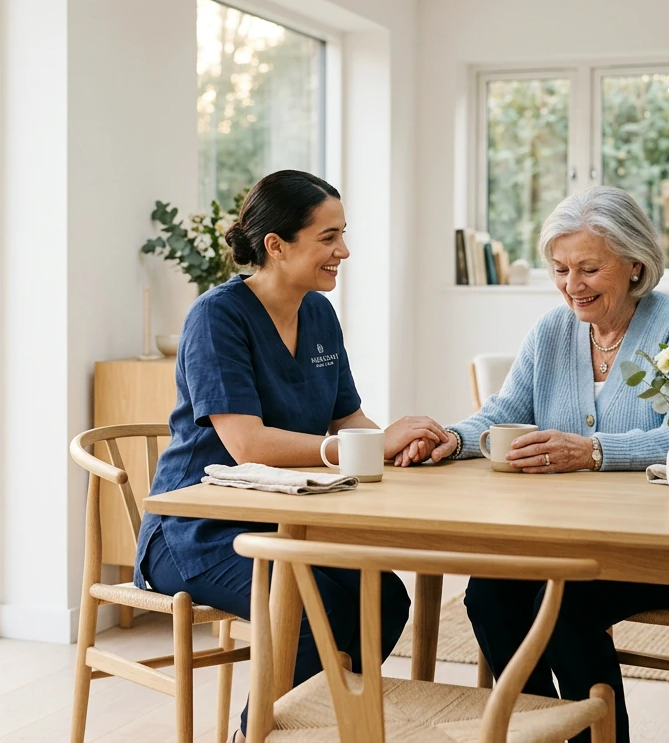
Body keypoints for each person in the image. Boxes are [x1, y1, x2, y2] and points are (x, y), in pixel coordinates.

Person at [392, 185, 669, 743]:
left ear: (635, 263)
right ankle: (544, 731)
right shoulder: (552, 331)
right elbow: (501, 413)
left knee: (563, 601)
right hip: (561, 539)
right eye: (561, 269)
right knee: (488, 594)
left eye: (589, 268)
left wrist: (593, 452)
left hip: (661, 541)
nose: (572, 286)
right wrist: (451, 438)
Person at [135, 170, 441, 742]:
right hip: (195, 531)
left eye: (342, 234)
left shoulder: (319, 314)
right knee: (307, 605)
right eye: (327, 238)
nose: (343, 251)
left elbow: (349, 419)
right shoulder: (217, 317)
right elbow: (247, 444)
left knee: (384, 598)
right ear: (276, 245)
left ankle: (320, 727)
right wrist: (358, 449)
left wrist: (405, 446)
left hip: (287, 523)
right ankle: (260, 735)